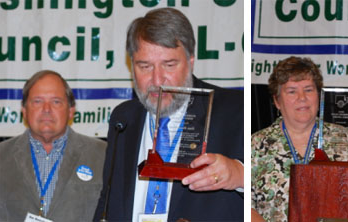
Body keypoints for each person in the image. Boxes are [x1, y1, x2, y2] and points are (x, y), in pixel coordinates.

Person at [93, 8, 243, 221]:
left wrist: (239, 173)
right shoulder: (124, 117)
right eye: (145, 66)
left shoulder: (233, 111)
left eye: (169, 65)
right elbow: (108, 199)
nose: (157, 80)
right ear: (131, 66)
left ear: (190, 60)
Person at [251, 56, 348, 221]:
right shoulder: (256, 145)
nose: (302, 98)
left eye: (308, 89)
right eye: (292, 91)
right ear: (277, 101)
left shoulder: (343, 139)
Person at [0, 70, 106, 221]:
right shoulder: (1, 157)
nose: (47, 109)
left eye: (56, 101)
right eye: (37, 101)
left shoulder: (103, 155)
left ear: (70, 111)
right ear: (24, 110)